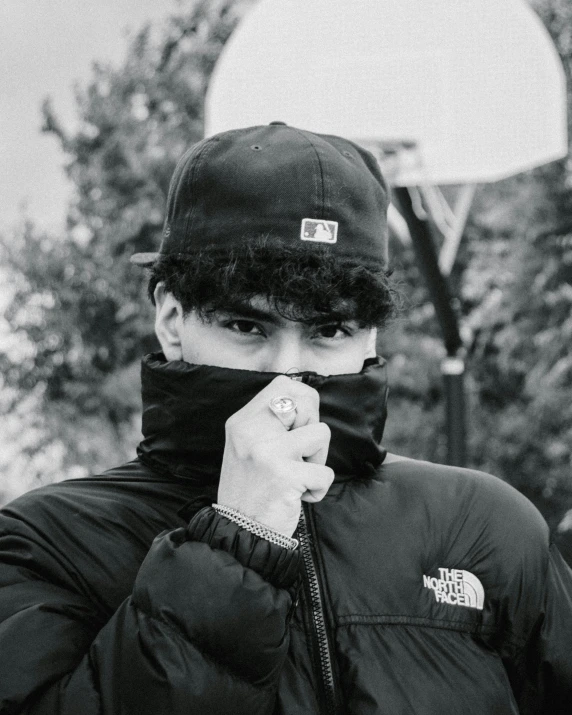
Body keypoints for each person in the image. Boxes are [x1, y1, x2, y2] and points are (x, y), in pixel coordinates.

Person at [0, 123, 571, 715]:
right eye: (248, 327)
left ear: (369, 336)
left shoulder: (485, 528)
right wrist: (235, 547)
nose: (288, 377)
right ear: (171, 320)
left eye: (328, 332)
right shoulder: (44, 543)